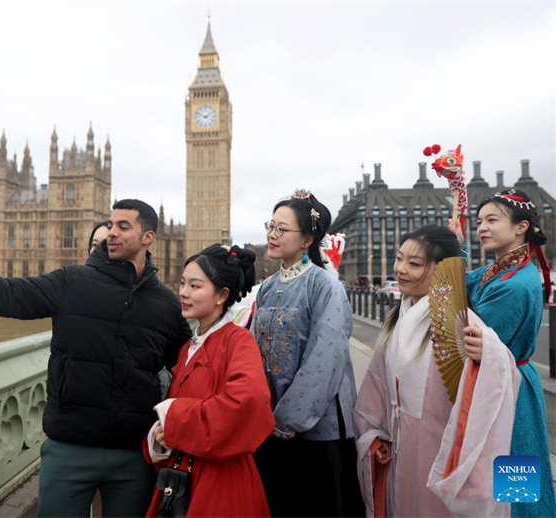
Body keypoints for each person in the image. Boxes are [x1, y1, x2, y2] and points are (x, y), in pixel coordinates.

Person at [0, 199, 192, 517]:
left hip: (134, 455)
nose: (112, 232)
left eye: (123, 227)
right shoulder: (71, 282)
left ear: (148, 237)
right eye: (110, 225)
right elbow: (8, 294)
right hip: (69, 449)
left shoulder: (165, 305)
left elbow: (191, 369)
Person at [354, 225, 520, 517]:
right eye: (399, 258)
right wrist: (377, 433)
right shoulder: (397, 316)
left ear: (443, 270)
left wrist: (491, 354)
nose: (400, 269)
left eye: (414, 263)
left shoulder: (464, 320)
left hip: (441, 447)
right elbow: (377, 384)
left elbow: (502, 372)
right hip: (402, 445)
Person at [250, 189, 365, 517]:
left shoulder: (325, 286)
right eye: (271, 226)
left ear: (307, 239)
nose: (272, 234)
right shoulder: (269, 286)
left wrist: (289, 419)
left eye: (282, 229)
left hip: (316, 429)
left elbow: (325, 359)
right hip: (270, 424)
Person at [144, 244, 274, 517]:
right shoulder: (188, 348)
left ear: (222, 295)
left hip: (221, 483)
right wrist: (161, 435)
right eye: (182, 283)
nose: (183, 292)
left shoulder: (238, 341)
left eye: (195, 286)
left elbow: (248, 403)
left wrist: (174, 419)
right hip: (182, 479)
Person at [453, 189, 555, 517]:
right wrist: (458, 247)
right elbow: (463, 282)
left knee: (511, 469)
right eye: (479, 221)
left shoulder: (514, 284)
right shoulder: (503, 269)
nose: (482, 227)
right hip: (510, 381)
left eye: (492, 220)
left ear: (521, 227)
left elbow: (464, 334)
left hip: (508, 389)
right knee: (515, 463)